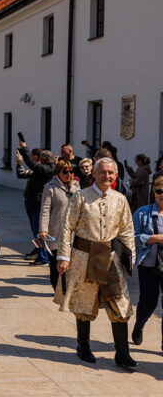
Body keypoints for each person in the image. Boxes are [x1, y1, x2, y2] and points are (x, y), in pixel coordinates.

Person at [56, 158, 137, 368]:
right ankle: (83, 346)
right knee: (83, 304)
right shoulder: (81, 197)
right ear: (94, 174)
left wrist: (130, 258)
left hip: (110, 259)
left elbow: (127, 229)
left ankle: (122, 353)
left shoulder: (120, 199)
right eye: (102, 172)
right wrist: (64, 257)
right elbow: (66, 227)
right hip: (84, 257)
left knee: (121, 306)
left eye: (111, 173)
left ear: (116, 175)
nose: (107, 176)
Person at [131, 176, 163, 348]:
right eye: (159, 191)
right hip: (149, 265)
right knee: (148, 302)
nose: (162, 195)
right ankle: (139, 325)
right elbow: (132, 237)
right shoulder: (142, 212)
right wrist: (154, 238)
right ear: (154, 191)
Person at [39, 160, 80, 289]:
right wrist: (43, 230)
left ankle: (67, 289)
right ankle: (56, 286)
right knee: (56, 261)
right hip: (56, 230)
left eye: (71, 172)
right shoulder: (50, 187)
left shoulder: (76, 186)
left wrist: (72, 188)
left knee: (72, 262)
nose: (69, 174)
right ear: (58, 172)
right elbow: (45, 210)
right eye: (65, 172)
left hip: (73, 231)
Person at [17, 143, 55, 266]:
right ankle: (42, 255)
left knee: (38, 231)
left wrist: (23, 150)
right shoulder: (49, 168)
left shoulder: (44, 169)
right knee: (38, 231)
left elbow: (30, 163)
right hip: (37, 202)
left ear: (42, 159)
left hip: (38, 203)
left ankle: (43, 257)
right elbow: (22, 173)